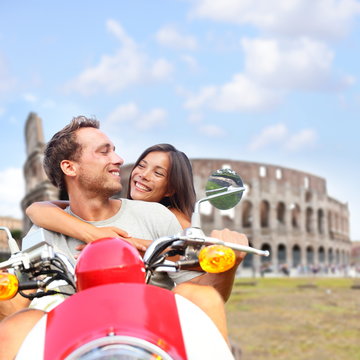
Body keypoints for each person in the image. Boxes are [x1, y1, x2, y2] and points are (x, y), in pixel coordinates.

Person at [0, 117, 247, 358]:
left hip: (152, 341)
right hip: (77, 344)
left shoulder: (155, 215)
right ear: (70, 167)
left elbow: (204, 297)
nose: (119, 159)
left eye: (114, 151)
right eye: (104, 152)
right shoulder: (42, 231)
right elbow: (15, 305)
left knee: (197, 295)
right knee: (21, 323)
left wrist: (227, 266)